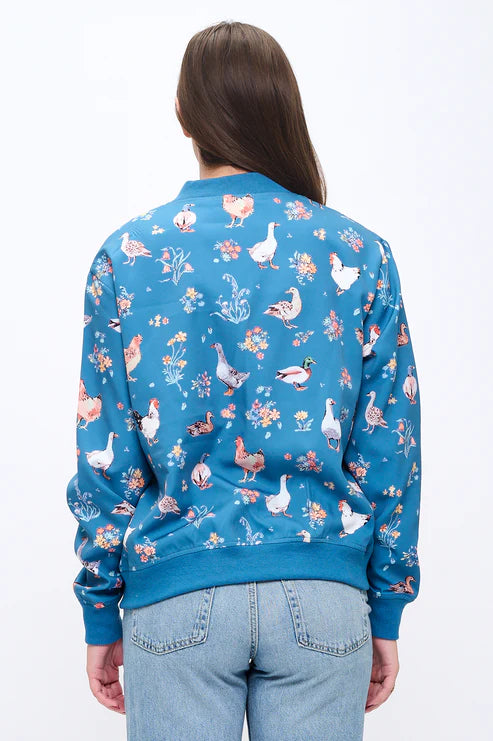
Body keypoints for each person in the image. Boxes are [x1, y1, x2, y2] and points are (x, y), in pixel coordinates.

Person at [66, 20, 422, 741]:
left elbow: (106, 450)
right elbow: (390, 444)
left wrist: (100, 606)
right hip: (323, 595)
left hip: (176, 588)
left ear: (183, 114)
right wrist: (386, 603)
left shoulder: (127, 255)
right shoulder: (359, 252)